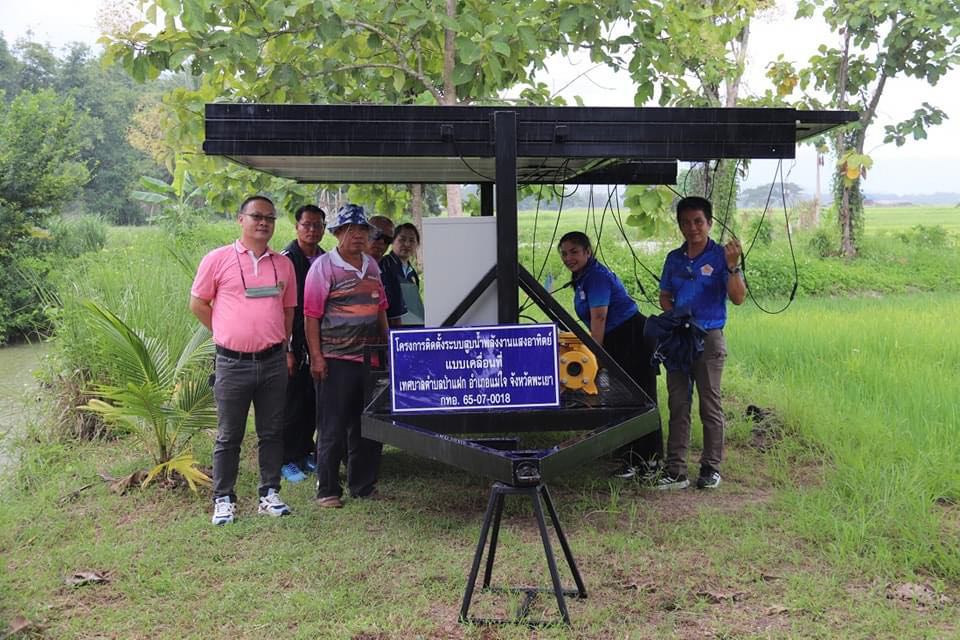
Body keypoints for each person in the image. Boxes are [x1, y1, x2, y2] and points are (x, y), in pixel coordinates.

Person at [189, 195, 297, 525]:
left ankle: (269, 493)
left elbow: (288, 309)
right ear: (241, 219)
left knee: (272, 431)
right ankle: (224, 498)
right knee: (228, 435)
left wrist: (284, 346)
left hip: (272, 362)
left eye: (270, 218)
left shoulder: (284, 264)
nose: (263, 222)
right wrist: (224, 331)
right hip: (232, 364)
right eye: (256, 216)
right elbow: (198, 304)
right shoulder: (217, 259)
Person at [656, 196, 745, 490]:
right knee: (678, 403)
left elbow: (738, 297)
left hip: (708, 337)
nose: (692, 228)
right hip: (679, 338)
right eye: (685, 222)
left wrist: (732, 267)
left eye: (698, 221)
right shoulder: (674, 258)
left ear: (709, 222)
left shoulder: (721, 256)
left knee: (710, 404)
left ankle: (710, 467)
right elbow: (665, 295)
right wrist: (674, 317)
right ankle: (676, 470)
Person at [557, 231, 662, 479]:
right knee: (619, 399)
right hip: (615, 339)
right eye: (564, 253)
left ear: (587, 252)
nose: (568, 257)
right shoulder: (582, 277)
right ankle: (630, 459)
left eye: (574, 251)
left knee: (640, 399)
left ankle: (651, 462)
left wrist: (595, 354)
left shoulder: (596, 276)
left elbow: (599, 316)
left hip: (631, 338)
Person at [303, 204, 389, 508]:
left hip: (369, 360)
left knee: (368, 426)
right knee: (332, 426)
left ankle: (363, 485)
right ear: (338, 233)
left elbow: (381, 309)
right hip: (335, 359)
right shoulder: (323, 267)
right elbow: (311, 315)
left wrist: (386, 346)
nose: (357, 235)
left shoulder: (372, 266)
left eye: (362, 230)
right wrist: (317, 356)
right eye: (350, 230)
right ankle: (327, 489)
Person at [279, 204, 326, 483]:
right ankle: (286, 458)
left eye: (317, 225)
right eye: (306, 224)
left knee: (312, 401)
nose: (312, 230)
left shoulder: (325, 258)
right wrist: (285, 350)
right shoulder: (285, 259)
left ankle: (305, 451)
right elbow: (278, 307)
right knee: (290, 403)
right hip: (293, 342)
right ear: (296, 227)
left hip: (317, 342)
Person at [379, 222, 424, 327]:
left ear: (417, 245)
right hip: (392, 329)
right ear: (392, 242)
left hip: (410, 330)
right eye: (402, 239)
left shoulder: (412, 272)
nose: (407, 244)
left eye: (412, 240)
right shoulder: (385, 265)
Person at [366, 215, 406, 327]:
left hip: (380, 340)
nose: (381, 243)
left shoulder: (390, 272)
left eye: (388, 240)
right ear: (365, 232)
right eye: (377, 235)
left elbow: (395, 319)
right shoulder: (344, 266)